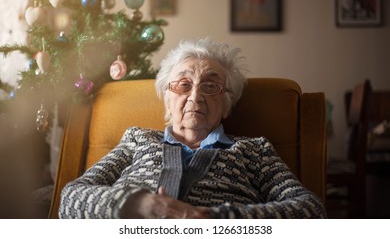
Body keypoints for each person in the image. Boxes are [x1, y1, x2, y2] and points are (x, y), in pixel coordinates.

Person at [59, 37, 327, 219]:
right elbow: (70, 199)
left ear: (226, 105)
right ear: (167, 99)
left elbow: (310, 210)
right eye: (183, 84)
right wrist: (139, 204)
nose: (195, 97)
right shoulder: (137, 140)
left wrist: (216, 219)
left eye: (210, 86)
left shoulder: (254, 150)